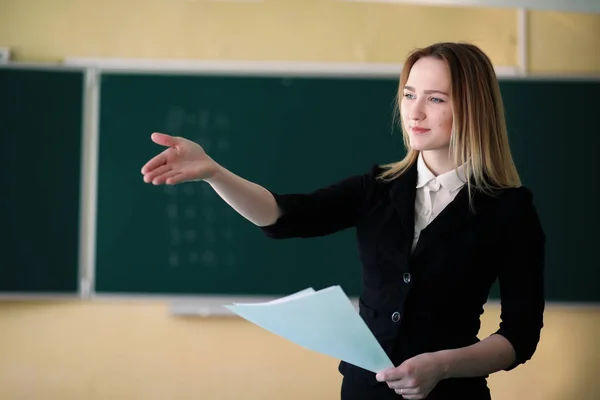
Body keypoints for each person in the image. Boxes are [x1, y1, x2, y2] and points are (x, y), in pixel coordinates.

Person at [140, 42, 545, 399]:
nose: (415, 112)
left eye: (435, 99)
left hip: (453, 395)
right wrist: (214, 172)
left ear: (472, 108)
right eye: (408, 95)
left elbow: (519, 336)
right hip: (363, 393)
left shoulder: (509, 209)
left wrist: (441, 365)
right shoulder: (377, 188)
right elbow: (281, 216)